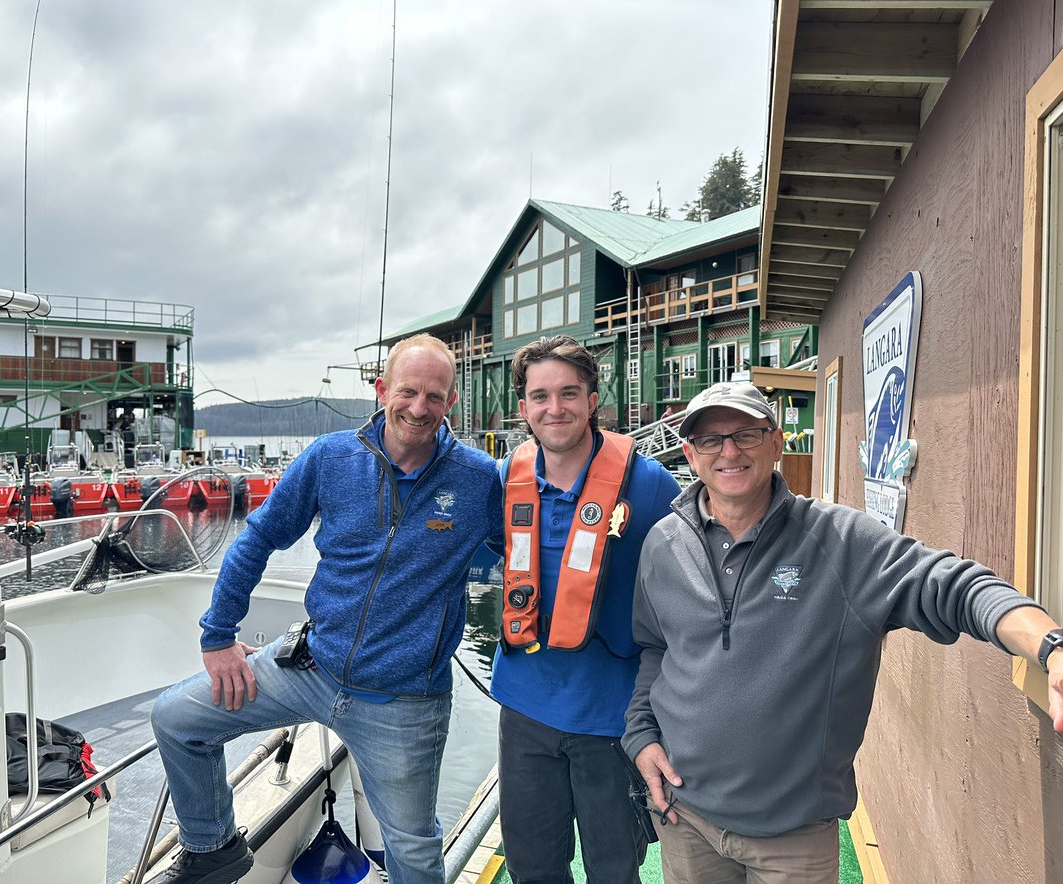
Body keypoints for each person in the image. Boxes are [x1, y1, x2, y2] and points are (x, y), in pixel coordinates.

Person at [623, 380, 1063, 884]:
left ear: (776, 441)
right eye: (710, 439)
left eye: (746, 433)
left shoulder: (839, 540)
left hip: (794, 836)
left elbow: (958, 587)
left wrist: (1051, 647)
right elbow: (655, 649)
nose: (729, 451)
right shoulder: (663, 542)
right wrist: (640, 735)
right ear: (690, 454)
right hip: (687, 820)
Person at [147, 333, 503, 884]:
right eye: (408, 391)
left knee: (413, 850)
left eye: (435, 396)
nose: (419, 407)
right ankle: (211, 846)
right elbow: (257, 537)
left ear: (451, 402)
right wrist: (218, 636)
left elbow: (531, 559)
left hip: (404, 700)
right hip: (312, 668)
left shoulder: (479, 480)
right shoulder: (332, 457)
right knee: (176, 719)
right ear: (382, 389)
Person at [491, 335, 681, 883]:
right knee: (533, 866)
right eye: (540, 396)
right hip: (524, 712)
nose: (556, 408)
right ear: (523, 407)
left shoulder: (647, 485)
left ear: (594, 398)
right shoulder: (507, 480)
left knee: (614, 868)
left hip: (612, 718)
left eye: (569, 393)